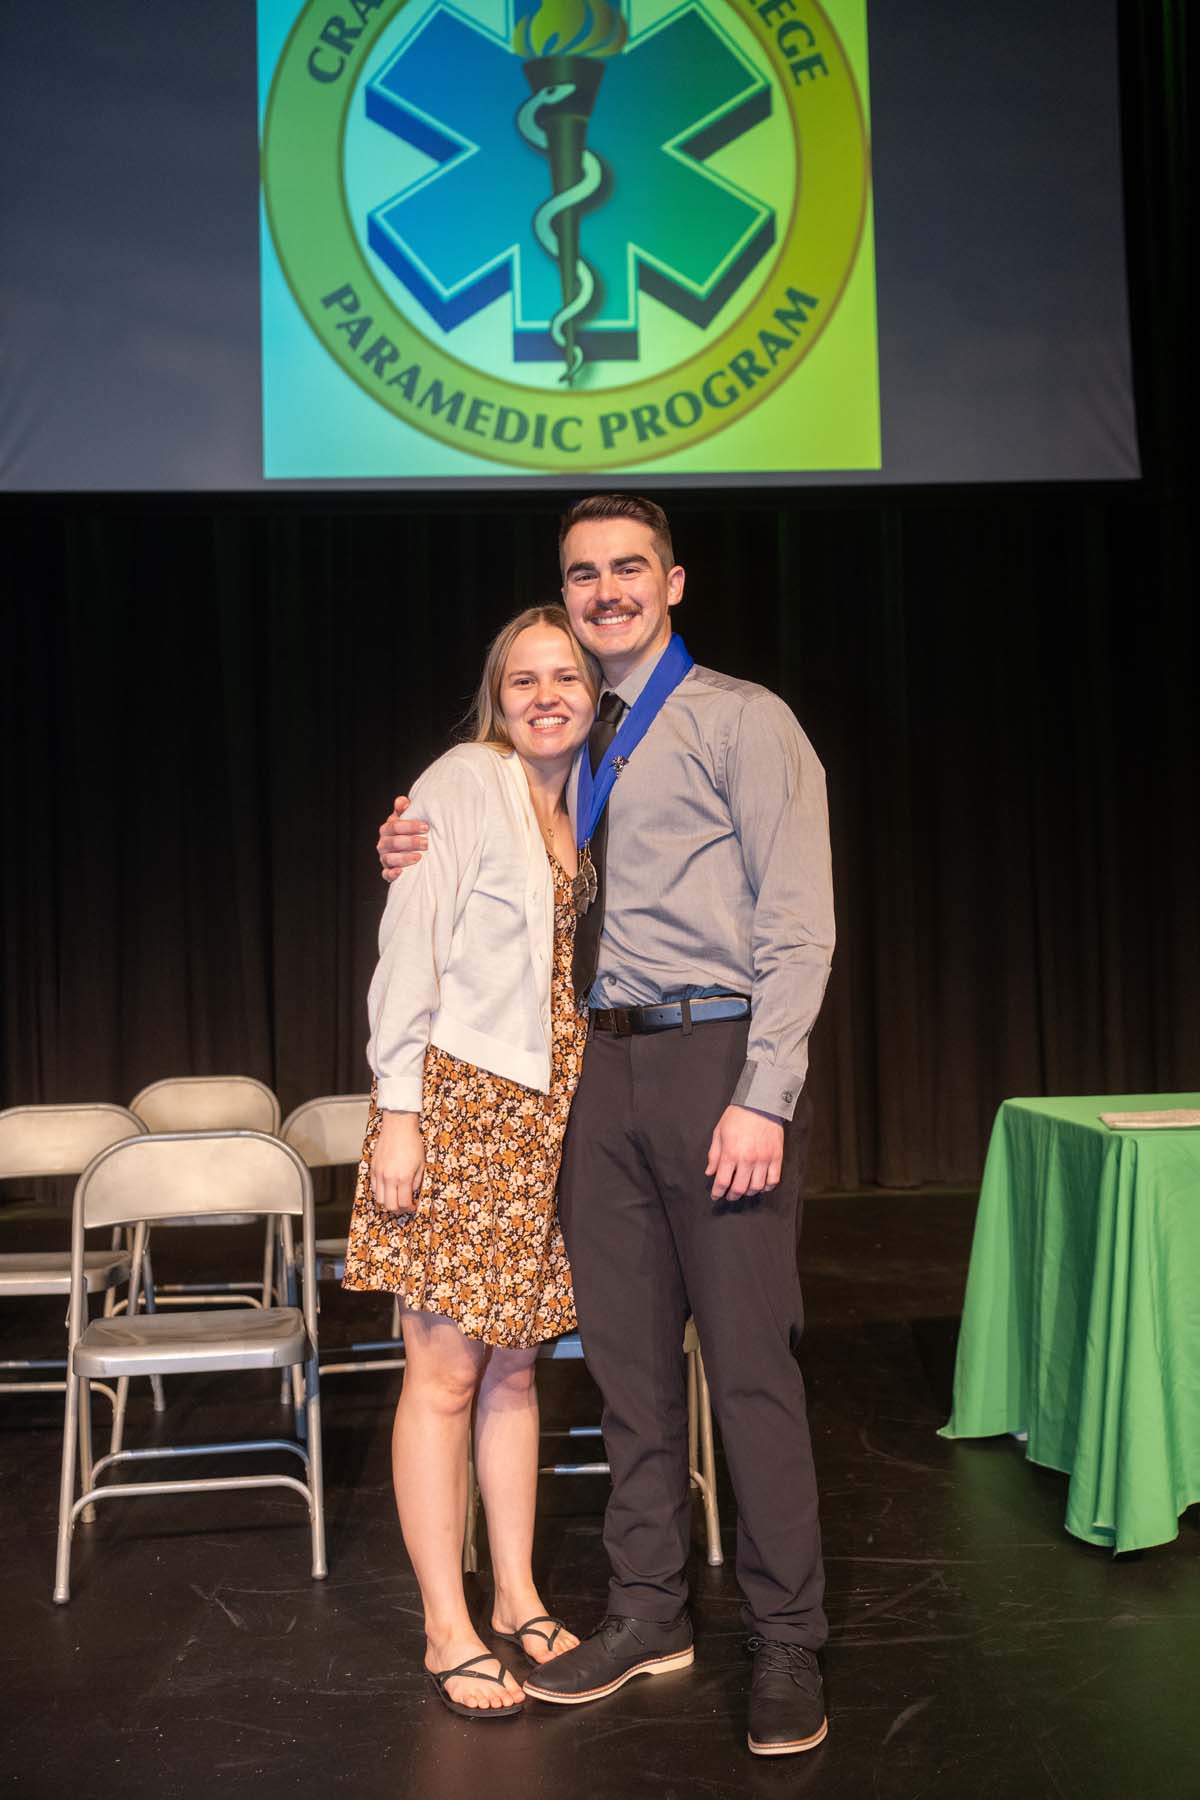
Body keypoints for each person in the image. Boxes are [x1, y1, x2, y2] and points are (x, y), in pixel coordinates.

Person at [378, 495, 836, 1756]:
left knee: (747, 1372)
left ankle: (789, 1642)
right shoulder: (563, 754)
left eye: (629, 567)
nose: (606, 588)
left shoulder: (746, 720)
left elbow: (800, 926)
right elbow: (477, 865)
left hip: (714, 1064)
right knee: (626, 1381)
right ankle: (649, 1613)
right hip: (597, 1081)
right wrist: (408, 838)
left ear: (674, 580)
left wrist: (765, 1091)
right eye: (583, 573)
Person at [344, 604, 598, 1720]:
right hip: (456, 1103)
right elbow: (410, 947)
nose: (547, 696)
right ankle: (448, 1623)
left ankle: (518, 1593)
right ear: (497, 697)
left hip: (546, 1118)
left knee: (513, 1369)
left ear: (595, 697)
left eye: (568, 679)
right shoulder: (461, 781)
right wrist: (398, 1109)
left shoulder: (590, 800)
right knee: (443, 1373)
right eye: (525, 679)